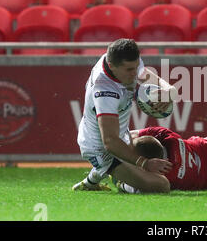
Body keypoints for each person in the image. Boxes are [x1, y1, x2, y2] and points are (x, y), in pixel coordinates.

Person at [72, 39, 176, 193]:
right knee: (161, 186)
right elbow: (110, 142)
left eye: (135, 67)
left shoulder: (119, 59)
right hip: (101, 147)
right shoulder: (105, 91)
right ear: (112, 66)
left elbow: (144, 74)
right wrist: (144, 164)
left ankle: (90, 182)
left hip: (120, 135)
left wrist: (169, 91)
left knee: (151, 146)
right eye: (129, 70)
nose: (135, 74)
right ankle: (118, 180)